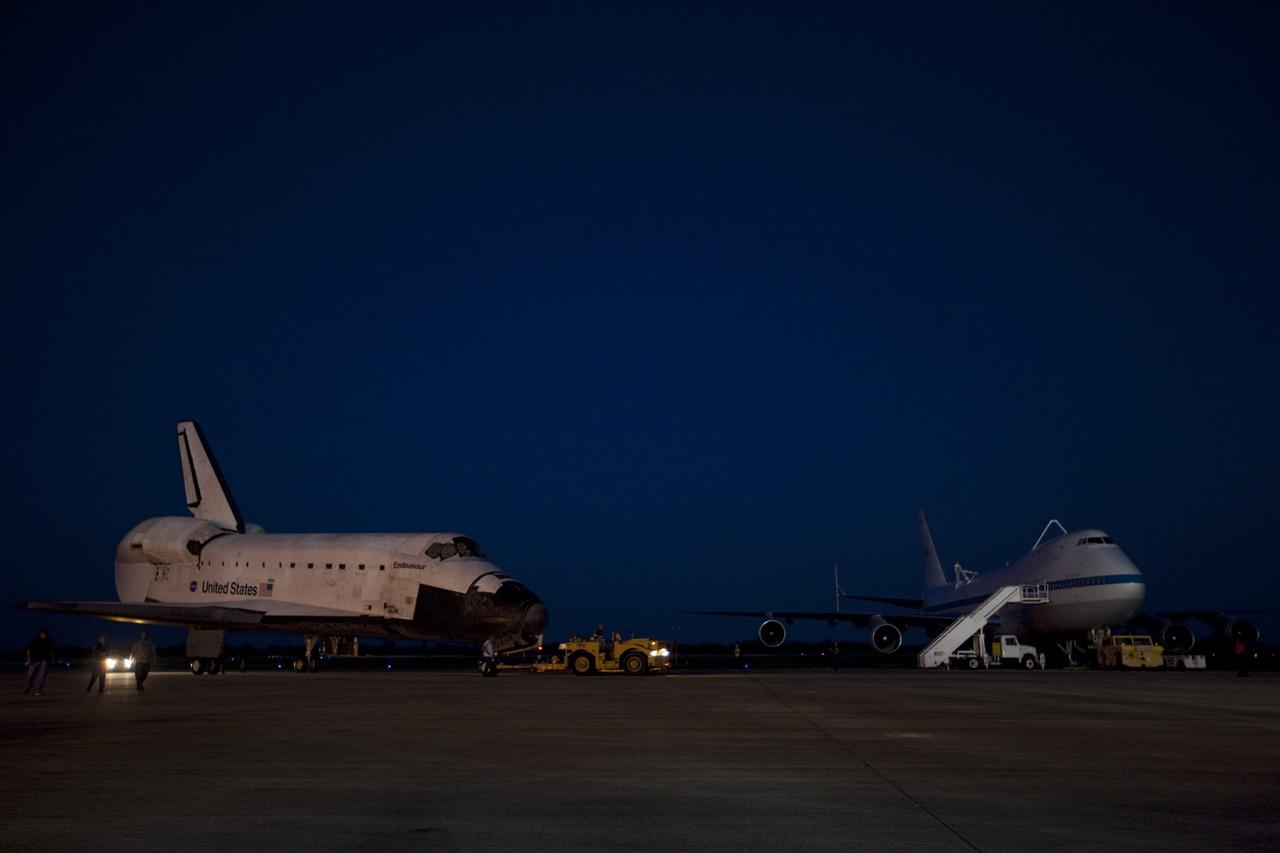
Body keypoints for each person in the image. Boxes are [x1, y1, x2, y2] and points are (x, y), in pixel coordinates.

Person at [25, 629, 54, 695]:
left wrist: (52, 659)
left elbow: (51, 651)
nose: (43, 635)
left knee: (41, 676)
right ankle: (29, 686)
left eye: (44, 634)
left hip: (44, 661)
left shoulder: (48, 641)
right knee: (30, 675)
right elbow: (28, 650)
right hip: (34, 660)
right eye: (42, 634)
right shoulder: (35, 641)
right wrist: (28, 659)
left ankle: (38, 690)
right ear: (39, 634)